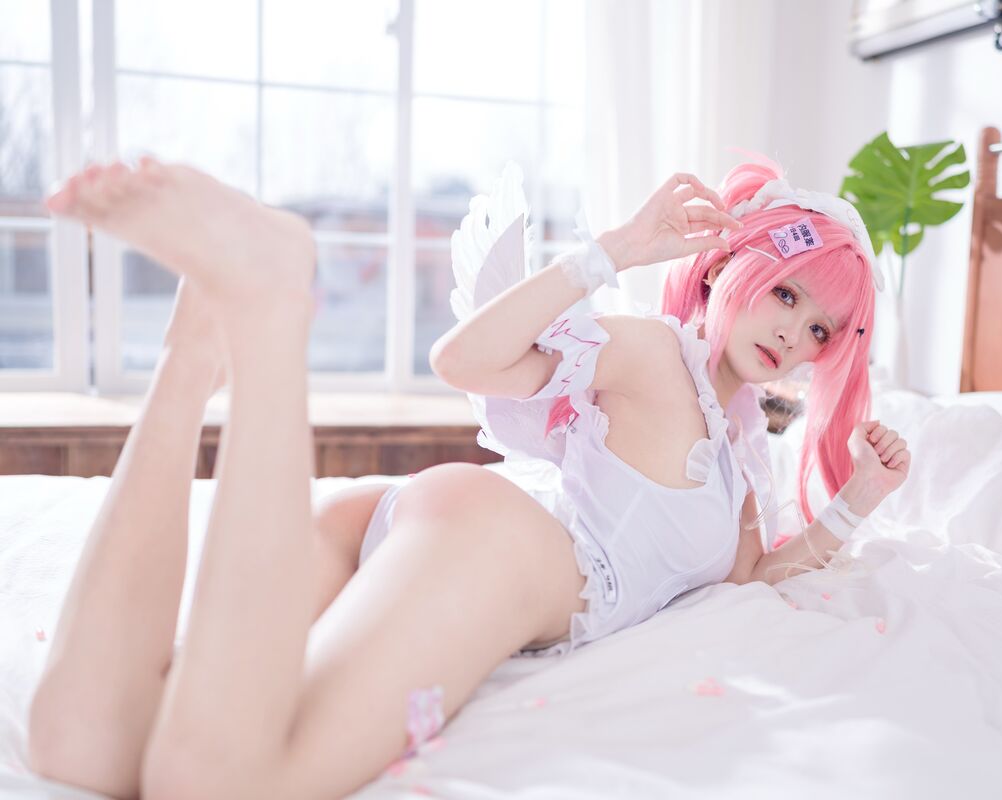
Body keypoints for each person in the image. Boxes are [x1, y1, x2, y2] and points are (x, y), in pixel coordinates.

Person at [26, 154, 910, 800]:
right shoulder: (652, 353)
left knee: (84, 744)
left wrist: (856, 501)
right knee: (222, 783)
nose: (795, 333)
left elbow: (752, 577)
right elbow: (466, 359)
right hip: (500, 551)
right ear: (724, 269)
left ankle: (192, 353)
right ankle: (267, 306)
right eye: (786, 294)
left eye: (822, 329)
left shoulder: (742, 452)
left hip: (426, 533)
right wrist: (616, 250)